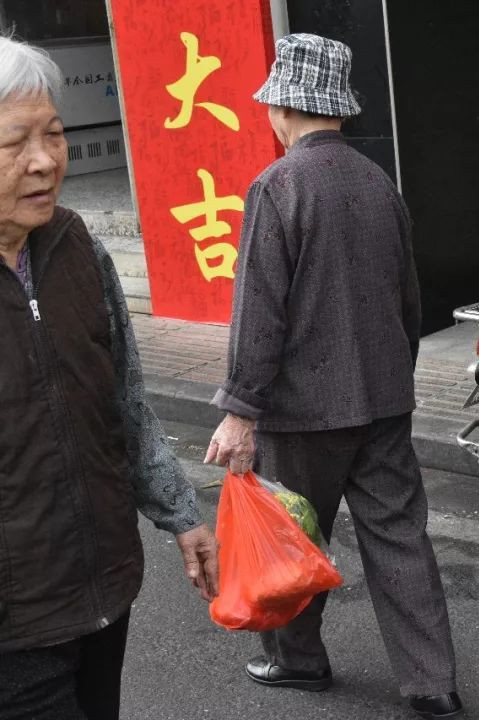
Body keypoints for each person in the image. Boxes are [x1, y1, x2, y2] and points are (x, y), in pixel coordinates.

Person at [203, 33, 462, 720]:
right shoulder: (379, 183)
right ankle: (432, 682)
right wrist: (392, 381)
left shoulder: (278, 184)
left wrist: (240, 410)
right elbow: (408, 299)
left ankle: (300, 663)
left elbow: (259, 312)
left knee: (293, 533)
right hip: (381, 400)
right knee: (400, 536)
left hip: (302, 409)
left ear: (284, 106)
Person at [0, 35, 218, 720]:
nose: (44, 162)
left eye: (55, 135)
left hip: (104, 592)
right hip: (15, 629)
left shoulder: (79, 249)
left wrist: (181, 513)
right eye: (15, 144)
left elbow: (124, 401)